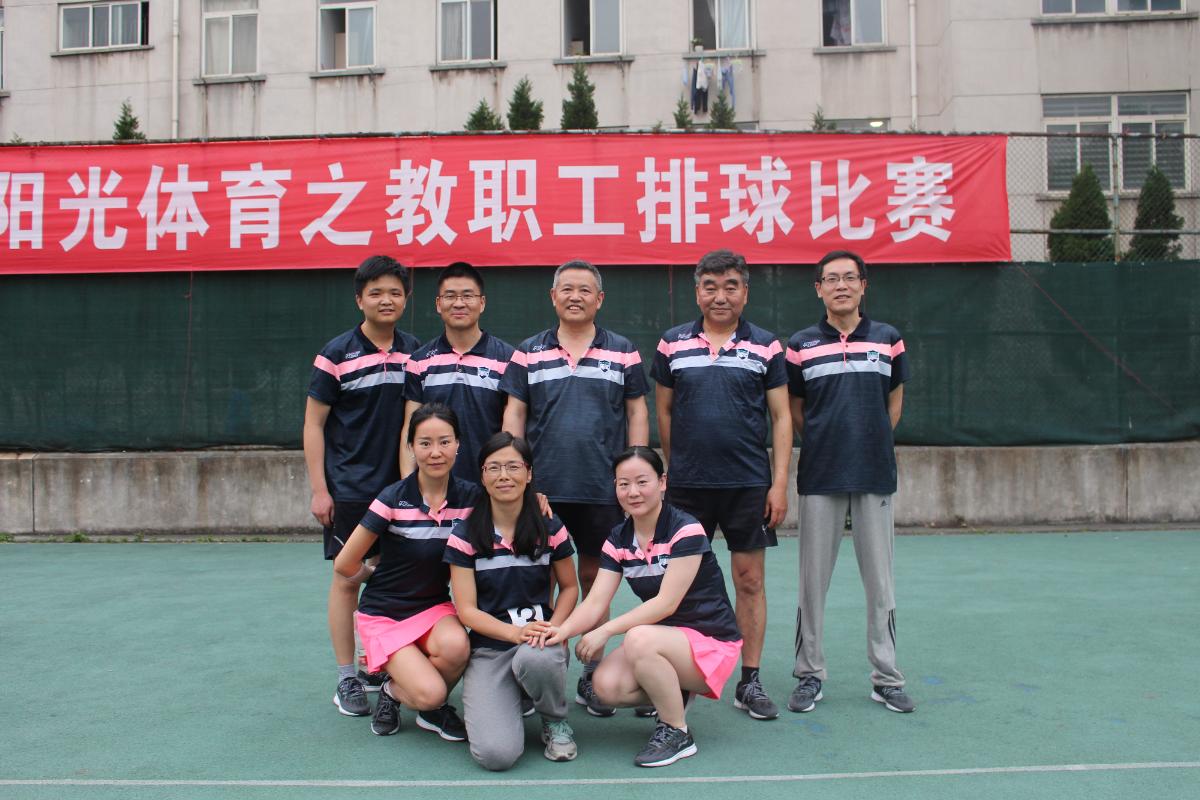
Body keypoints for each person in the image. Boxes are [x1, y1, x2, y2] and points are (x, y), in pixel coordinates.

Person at [500, 259, 650, 716]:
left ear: (599, 299)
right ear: (553, 297)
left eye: (585, 290)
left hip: (601, 491)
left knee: (592, 581)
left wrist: (633, 472)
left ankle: (592, 673)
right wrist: (518, 476)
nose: (575, 297)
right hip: (544, 492)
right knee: (542, 581)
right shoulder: (528, 352)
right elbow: (514, 414)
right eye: (566, 289)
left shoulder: (623, 351)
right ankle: (542, 674)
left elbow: (637, 412)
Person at [650, 249, 791, 720]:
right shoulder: (672, 344)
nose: (720, 296)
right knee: (681, 583)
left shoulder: (767, 346)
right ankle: (674, 677)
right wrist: (673, 471)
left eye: (731, 286)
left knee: (749, 580)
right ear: (698, 293)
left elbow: (781, 417)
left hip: (748, 485)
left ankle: (749, 681)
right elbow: (664, 411)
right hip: (687, 486)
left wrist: (778, 484)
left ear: (745, 292)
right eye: (710, 287)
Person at [545, 447, 742, 768]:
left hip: (712, 643)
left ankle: (677, 730)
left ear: (662, 482)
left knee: (638, 637)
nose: (633, 492)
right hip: (665, 642)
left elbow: (666, 603)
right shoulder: (618, 540)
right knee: (605, 687)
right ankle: (673, 692)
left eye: (642, 482)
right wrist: (561, 631)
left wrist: (606, 630)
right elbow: (595, 601)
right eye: (623, 484)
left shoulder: (685, 530)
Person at [785, 250, 915, 715]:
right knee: (811, 583)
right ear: (818, 289)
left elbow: (894, 403)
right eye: (831, 279)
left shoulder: (888, 339)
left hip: (874, 474)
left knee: (880, 583)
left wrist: (870, 440)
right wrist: (826, 441)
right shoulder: (800, 345)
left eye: (849, 278)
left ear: (863, 285)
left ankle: (887, 677)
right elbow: (797, 410)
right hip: (820, 475)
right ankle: (809, 674)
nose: (841, 286)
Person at [303, 254, 420, 717]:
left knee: (397, 577)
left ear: (406, 299)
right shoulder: (336, 353)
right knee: (348, 578)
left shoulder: (416, 352)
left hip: (403, 490)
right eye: (376, 293)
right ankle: (346, 676)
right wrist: (320, 489)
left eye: (395, 292)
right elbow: (313, 424)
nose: (386, 300)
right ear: (359, 299)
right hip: (350, 488)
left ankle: (383, 665)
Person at [333, 404, 477, 740]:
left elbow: (512, 506)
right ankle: (403, 694)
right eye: (425, 443)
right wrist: (373, 573)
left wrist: (538, 499)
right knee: (432, 692)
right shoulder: (392, 499)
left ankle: (410, 700)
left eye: (444, 442)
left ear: (458, 444)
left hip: (433, 609)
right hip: (385, 614)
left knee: (458, 647)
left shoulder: (472, 498)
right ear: (411, 447)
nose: (436, 452)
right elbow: (344, 564)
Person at [445, 433, 581, 769]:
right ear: (482, 476)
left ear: (529, 473)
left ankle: (554, 719)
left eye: (513, 467)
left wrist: (554, 629)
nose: (504, 476)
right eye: (494, 468)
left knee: (538, 659)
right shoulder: (465, 535)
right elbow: (467, 610)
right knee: (496, 755)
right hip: (490, 649)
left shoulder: (548, 525)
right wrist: (513, 633)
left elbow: (569, 587)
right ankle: (516, 694)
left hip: (539, 643)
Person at [402, 262, 515, 484]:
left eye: (468, 296)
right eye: (450, 296)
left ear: (482, 303)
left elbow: (513, 427)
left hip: (490, 484)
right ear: (438, 304)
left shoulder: (507, 359)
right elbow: (409, 427)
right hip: (435, 487)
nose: (459, 303)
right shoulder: (420, 361)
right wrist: (408, 484)